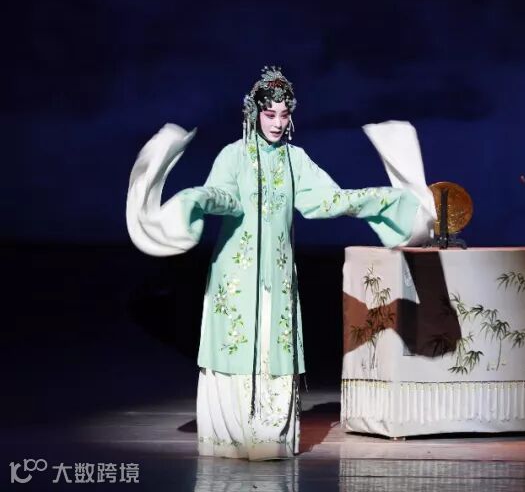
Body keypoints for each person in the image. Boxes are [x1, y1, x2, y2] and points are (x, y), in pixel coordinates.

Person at [125, 66, 432, 459]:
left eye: (284, 114)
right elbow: (222, 194)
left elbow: (327, 200)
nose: (277, 122)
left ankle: (270, 435)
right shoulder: (234, 155)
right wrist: (197, 199)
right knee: (237, 343)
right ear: (254, 113)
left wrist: (390, 200)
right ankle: (232, 436)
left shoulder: (294, 160)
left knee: (275, 344)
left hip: (278, 272)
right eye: (269, 114)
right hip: (235, 274)